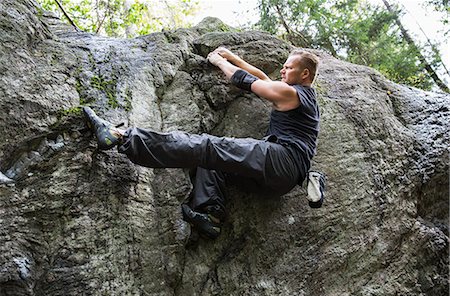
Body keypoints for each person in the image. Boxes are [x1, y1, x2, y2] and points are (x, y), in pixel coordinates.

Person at [83, 47, 321, 240]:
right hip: (280, 183)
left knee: (207, 146)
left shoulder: (292, 94)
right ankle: (210, 215)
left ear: (304, 75)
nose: (282, 70)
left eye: (288, 67)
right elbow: (262, 77)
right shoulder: (301, 98)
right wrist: (233, 56)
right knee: (213, 161)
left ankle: (121, 136)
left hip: (280, 158)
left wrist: (220, 62)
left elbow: (247, 81)